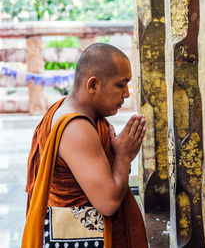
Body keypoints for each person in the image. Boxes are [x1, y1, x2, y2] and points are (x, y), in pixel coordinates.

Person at [23, 43, 148, 247]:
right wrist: (124, 157)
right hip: (82, 237)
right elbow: (108, 203)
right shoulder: (75, 128)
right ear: (93, 85)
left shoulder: (70, 110)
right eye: (121, 85)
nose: (127, 93)